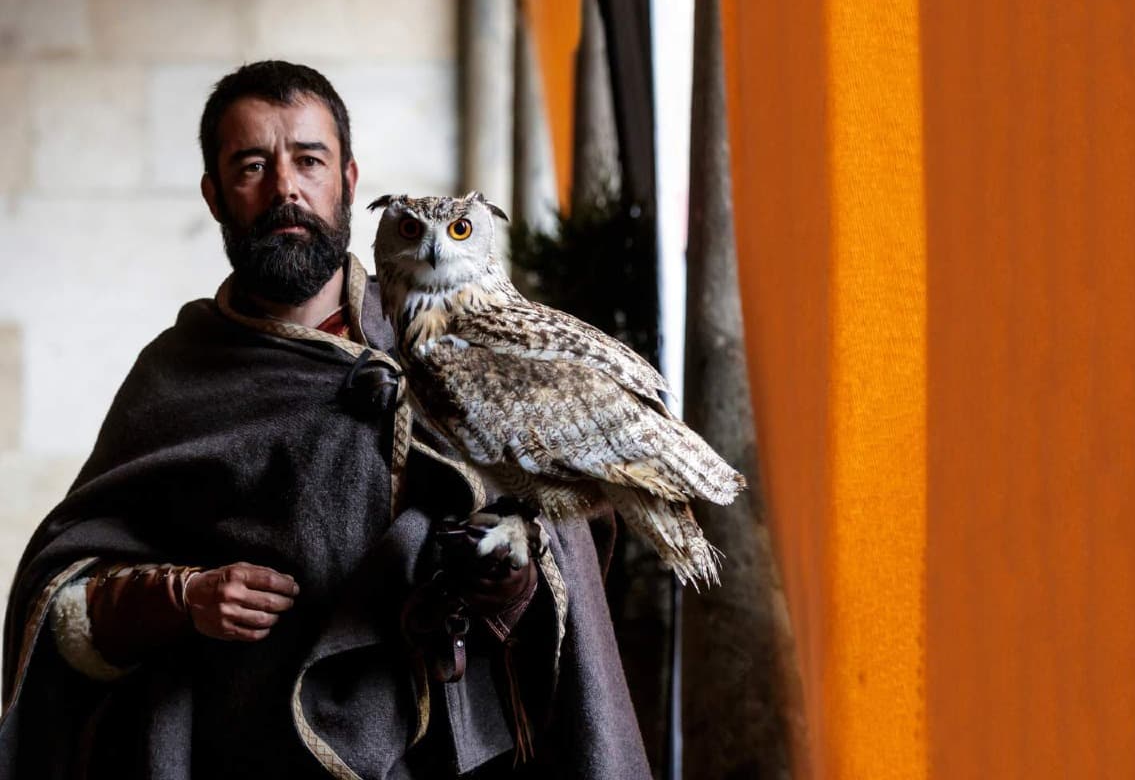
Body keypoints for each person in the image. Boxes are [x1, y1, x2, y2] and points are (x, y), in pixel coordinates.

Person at [0, 61, 651, 779]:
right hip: (246, 758)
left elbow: (567, 538)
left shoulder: (468, 349)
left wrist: (504, 577)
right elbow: (64, 603)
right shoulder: (176, 377)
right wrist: (182, 597)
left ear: (347, 179)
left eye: (309, 161)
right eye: (252, 166)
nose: (286, 188)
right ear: (214, 196)